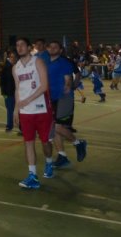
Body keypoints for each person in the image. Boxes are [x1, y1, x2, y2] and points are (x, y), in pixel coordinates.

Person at [13, 38, 53, 189]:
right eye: (17, 45)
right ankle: (32, 175)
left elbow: (44, 86)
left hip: (41, 108)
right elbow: (17, 89)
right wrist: (16, 109)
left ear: (29, 47)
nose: (19, 47)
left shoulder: (38, 62)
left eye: (22, 45)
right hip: (25, 111)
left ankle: (49, 162)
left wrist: (27, 100)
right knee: (28, 142)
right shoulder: (15, 67)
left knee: (45, 142)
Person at [46, 41, 87, 169]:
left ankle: (78, 143)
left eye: (55, 47)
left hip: (64, 98)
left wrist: (69, 86)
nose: (52, 48)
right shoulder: (46, 62)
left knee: (57, 127)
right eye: (50, 46)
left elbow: (68, 78)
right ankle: (62, 156)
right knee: (53, 129)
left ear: (60, 50)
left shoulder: (64, 62)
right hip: (52, 99)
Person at [0, 50, 17, 132]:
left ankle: (20, 127)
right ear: (9, 58)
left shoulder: (17, 66)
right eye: (11, 57)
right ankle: (9, 125)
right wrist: (4, 93)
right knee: (10, 110)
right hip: (9, 93)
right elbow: (2, 81)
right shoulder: (6, 67)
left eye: (14, 57)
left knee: (19, 110)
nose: (13, 59)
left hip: (17, 93)